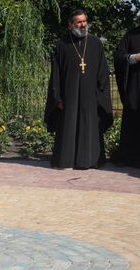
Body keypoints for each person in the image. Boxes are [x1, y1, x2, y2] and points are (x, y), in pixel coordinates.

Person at [44, 9, 113, 169]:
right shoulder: (62, 45)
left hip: (90, 96)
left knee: (89, 127)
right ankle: (66, 161)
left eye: (84, 21)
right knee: (69, 126)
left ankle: (90, 161)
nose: (83, 25)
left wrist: (100, 95)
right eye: (79, 22)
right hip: (69, 96)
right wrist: (57, 97)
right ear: (70, 25)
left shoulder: (96, 43)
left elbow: (103, 72)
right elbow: (55, 75)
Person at [113, 24, 140, 167]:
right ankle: (132, 157)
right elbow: (118, 57)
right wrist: (135, 57)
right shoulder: (131, 35)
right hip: (136, 88)